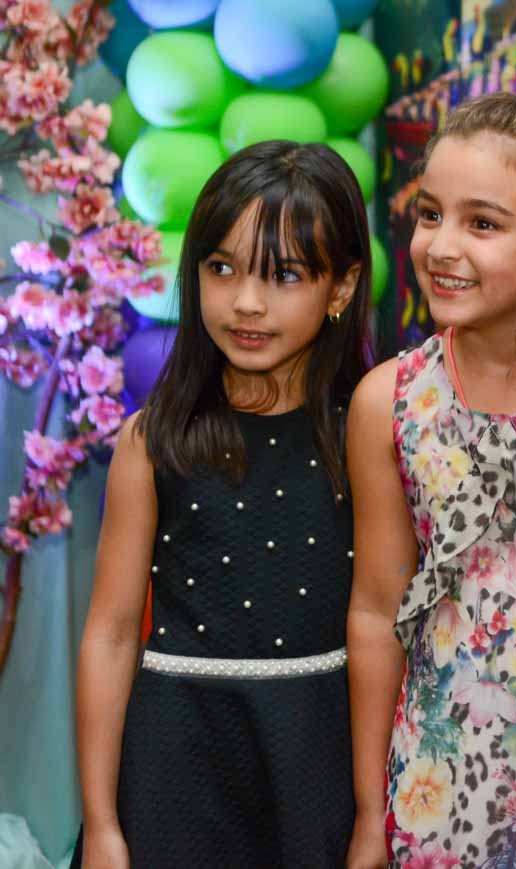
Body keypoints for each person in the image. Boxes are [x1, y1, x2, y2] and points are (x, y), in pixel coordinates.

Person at [72, 140, 372, 869]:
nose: (246, 302)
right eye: (222, 267)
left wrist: (372, 812)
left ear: (340, 286)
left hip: (313, 765)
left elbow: (384, 623)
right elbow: (110, 635)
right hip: (173, 767)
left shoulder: (368, 436)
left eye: (284, 275)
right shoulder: (154, 440)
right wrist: (102, 823)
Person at [345, 93, 516, 869]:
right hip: (438, 780)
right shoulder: (392, 399)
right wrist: (370, 812)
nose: (441, 245)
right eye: (430, 214)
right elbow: (375, 611)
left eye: (483, 223)